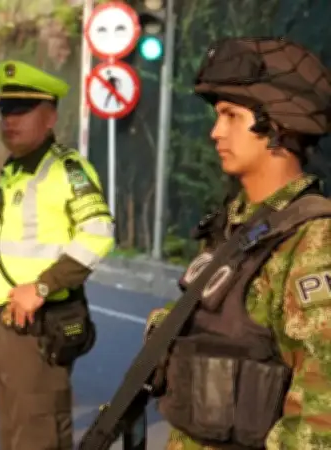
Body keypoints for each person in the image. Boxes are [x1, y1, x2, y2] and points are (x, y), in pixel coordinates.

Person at [143, 37, 331, 450]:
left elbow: (319, 422)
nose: (215, 132)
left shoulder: (312, 244)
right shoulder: (234, 226)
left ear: (277, 124)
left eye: (231, 115)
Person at [0, 60, 116, 450]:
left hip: (40, 326)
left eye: (22, 111)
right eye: (5, 111)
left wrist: (42, 286)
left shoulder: (66, 169)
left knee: (39, 438)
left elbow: (98, 232)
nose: (10, 120)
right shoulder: (14, 170)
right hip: (5, 326)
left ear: (50, 116)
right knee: (14, 436)